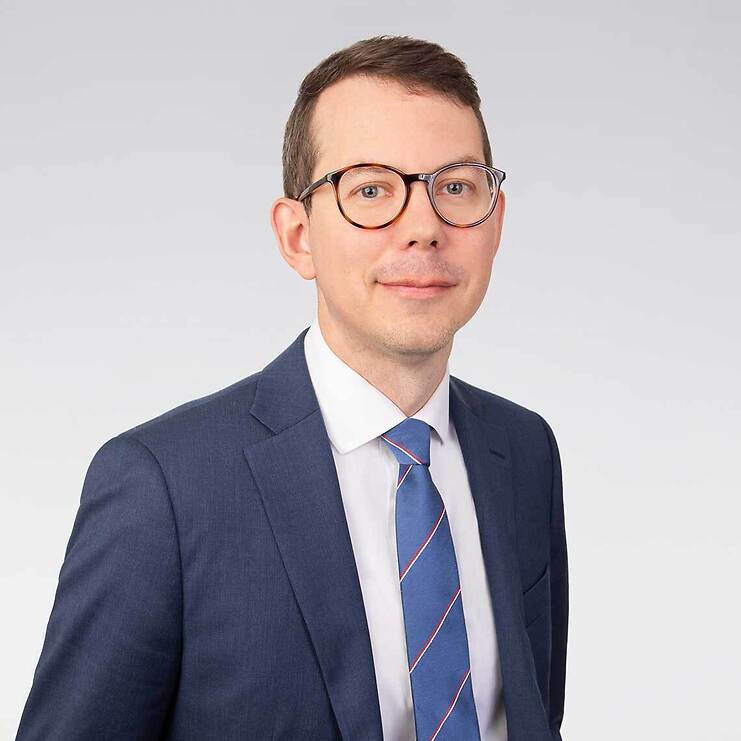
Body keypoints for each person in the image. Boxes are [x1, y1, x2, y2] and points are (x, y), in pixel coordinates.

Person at [16, 34, 568, 741]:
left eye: (455, 187)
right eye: (371, 190)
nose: (424, 228)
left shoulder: (523, 451)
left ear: (496, 221)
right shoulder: (164, 486)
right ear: (297, 236)